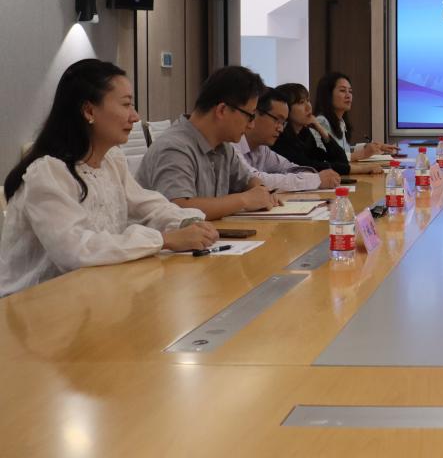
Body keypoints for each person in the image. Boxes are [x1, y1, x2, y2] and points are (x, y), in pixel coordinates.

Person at [0, 60, 217, 296]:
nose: (135, 116)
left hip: (91, 294)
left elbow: (149, 207)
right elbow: (75, 251)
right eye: (126, 105)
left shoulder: (112, 161)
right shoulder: (48, 173)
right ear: (89, 111)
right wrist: (165, 240)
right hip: (34, 304)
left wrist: (188, 222)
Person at [136, 66, 280, 220]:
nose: (251, 125)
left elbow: (248, 180)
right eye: (250, 116)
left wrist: (262, 191)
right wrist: (244, 200)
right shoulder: (174, 147)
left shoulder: (224, 147)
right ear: (222, 110)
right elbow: (178, 208)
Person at [235, 88, 341, 191]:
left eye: (283, 123)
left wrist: (313, 176)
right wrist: (315, 179)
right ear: (254, 113)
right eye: (277, 120)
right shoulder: (233, 145)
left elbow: (289, 167)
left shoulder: (262, 149)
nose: (281, 129)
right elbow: (255, 179)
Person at [271, 83, 376, 176]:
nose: (308, 107)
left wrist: (322, 131)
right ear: (285, 108)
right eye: (301, 102)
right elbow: (310, 167)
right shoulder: (280, 138)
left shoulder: (304, 133)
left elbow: (341, 160)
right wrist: (360, 169)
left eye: (308, 100)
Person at [313, 72, 397, 160]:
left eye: (350, 91)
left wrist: (373, 147)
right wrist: (363, 153)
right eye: (342, 90)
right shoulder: (321, 121)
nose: (348, 95)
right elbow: (326, 159)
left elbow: (344, 150)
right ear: (328, 95)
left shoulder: (340, 122)